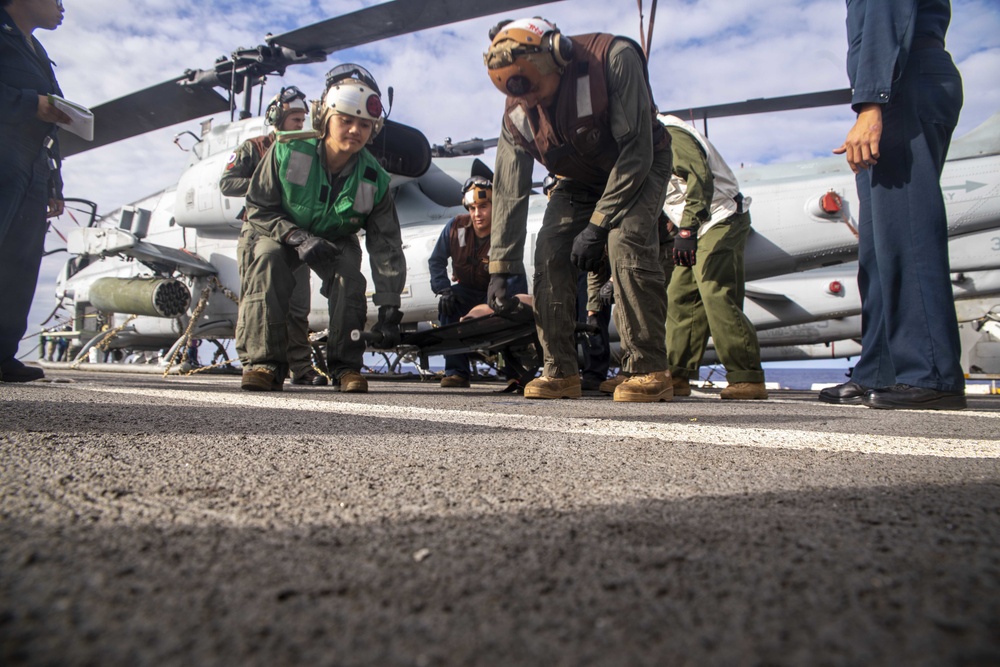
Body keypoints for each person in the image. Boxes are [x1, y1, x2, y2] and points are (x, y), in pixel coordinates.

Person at [483, 17, 674, 402]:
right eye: (522, 95)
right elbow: (508, 190)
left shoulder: (614, 59)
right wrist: (501, 268)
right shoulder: (518, 112)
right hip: (579, 179)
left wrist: (598, 226)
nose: (533, 102)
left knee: (627, 242)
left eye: (537, 89)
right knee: (551, 251)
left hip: (639, 162)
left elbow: (636, 150)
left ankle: (649, 367)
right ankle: (560, 371)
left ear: (558, 57)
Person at [822, 0, 966, 410]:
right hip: (897, 83)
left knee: (905, 232)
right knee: (879, 246)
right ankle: (881, 370)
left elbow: (889, 14)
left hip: (902, 81)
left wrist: (871, 104)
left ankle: (929, 370)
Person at [236, 64, 406, 393]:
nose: (355, 131)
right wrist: (296, 236)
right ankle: (264, 363)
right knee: (268, 261)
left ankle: (345, 368)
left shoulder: (375, 180)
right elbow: (258, 207)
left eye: (364, 125)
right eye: (346, 120)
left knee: (349, 278)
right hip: (282, 230)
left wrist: (389, 304)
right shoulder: (288, 150)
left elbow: (385, 245)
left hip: (335, 237)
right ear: (325, 118)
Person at [219, 86, 327, 387]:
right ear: (277, 117)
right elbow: (227, 183)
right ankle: (257, 363)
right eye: (295, 117)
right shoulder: (253, 148)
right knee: (259, 297)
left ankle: (301, 367)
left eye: (302, 118)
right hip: (259, 229)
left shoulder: (303, 149)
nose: (300, 124)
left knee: (297, 305)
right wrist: (267, 178)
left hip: (294, 233)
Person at [659, 114, 768, 400]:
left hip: (720, 217)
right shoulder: (651, 139)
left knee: (713, 287)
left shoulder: (669, 133)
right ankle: (677, 374)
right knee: (680, 294)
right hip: (697, 224)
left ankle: (746, 375)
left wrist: (686, 230)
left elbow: (699, 178)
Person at [0, 0, 69, 383]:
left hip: (33, 168)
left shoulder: (37, 51)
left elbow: (50, 125)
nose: (62, 6)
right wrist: (30, 103)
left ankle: (2, 353)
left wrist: (54, 182)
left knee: (21, 263)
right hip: (2, 155)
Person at [428, 175, 527, 387]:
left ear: (495, 206)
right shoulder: (455, 228)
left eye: (483, 206)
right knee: (448, 305)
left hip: (499, 291)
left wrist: (513, 302)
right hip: (467, 290)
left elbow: (514, 273)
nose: (477, 214)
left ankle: (515, 373)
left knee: (512, 316)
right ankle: (456, 371)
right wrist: (444, 289)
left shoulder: (505, 231)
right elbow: (436, 260)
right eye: (472, 208)